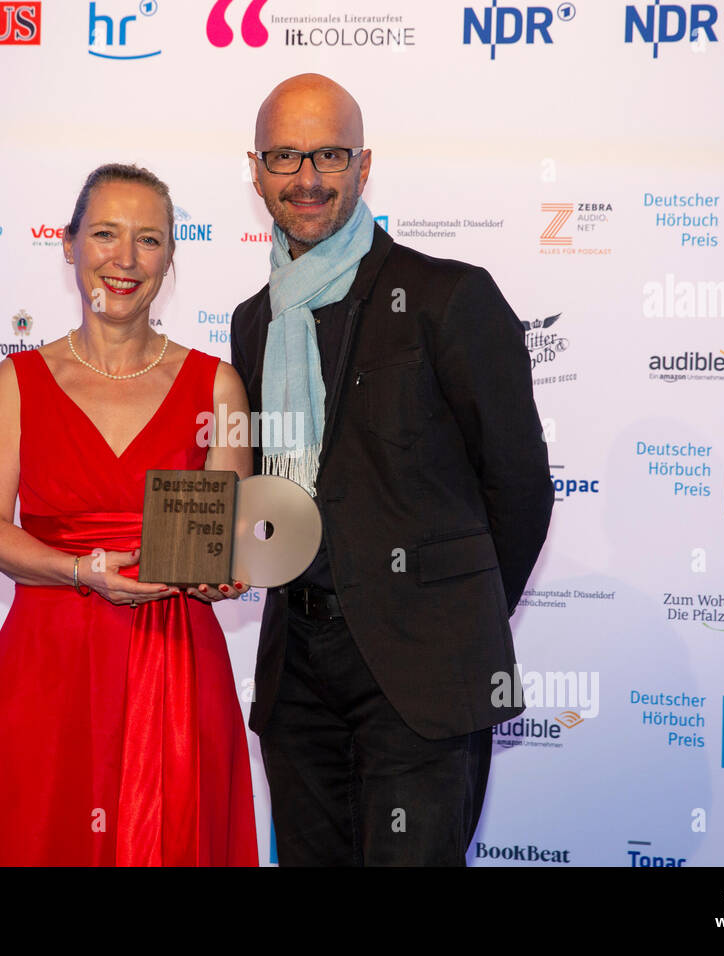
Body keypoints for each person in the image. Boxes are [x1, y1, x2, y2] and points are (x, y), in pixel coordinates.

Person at [230, 75, 554, 866]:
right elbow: (267, 493)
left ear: (364, 164)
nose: (307, 178)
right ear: (256, 169)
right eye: (285, 157)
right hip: (297, 675)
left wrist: (450, 609)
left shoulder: (450, 297)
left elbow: (519, 488)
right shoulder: (254, 322)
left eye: (330, 154)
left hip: (422, 674)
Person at [0, 163, 258, 866]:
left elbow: (229, 535)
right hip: (47, 666)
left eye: (148, 240)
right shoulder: (17, 381)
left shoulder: (220, 385)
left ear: (170, 257)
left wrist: (225, 573)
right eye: (106, 235)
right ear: (69, 244)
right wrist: (81, 571)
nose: (124, 260)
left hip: (175, 665)